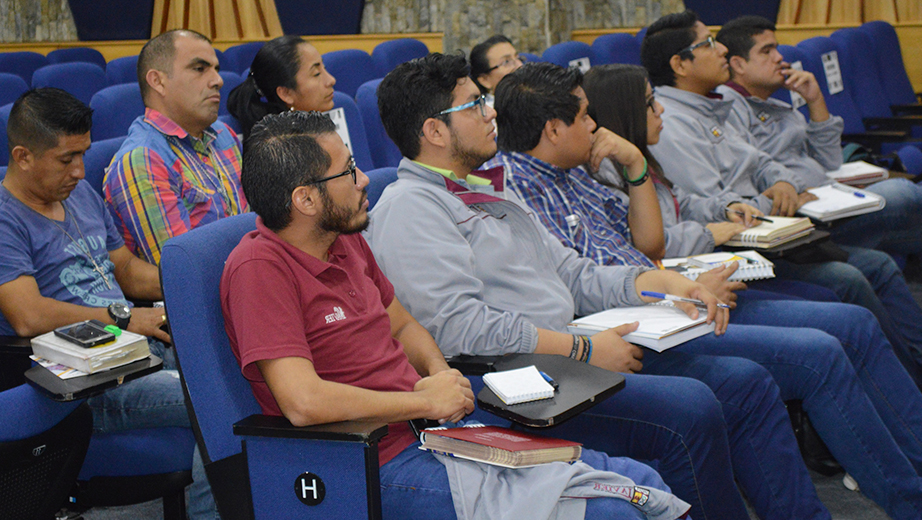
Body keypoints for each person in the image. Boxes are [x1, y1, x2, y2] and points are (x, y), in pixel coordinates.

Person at [365, 51, 817, 520]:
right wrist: (580, 349)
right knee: (691, 408)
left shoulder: (483, 189)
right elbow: (460, 329)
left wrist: (665, 282)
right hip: (508, 382)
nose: (491, 112)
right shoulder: (411, 207)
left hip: (564, 357)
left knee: (743, 384)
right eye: (475, 105)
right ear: (435, 131)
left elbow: (575, 273)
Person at [490, 61, 922, 519]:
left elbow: (645, 245)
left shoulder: (573, 171)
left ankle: (909, 482)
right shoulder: (514, 192)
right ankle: (908, 497)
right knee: (816, 350)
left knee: (843, 320)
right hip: (629, 325)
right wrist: (676, 284)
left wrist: (636, 167)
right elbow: (582, 282)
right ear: (554, 129)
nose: (595, 126)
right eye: (583, 117)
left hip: (664, 297)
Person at [220, 109, 688, 520]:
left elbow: (401, 324)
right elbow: (302, 402)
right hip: (367, 463)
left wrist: (444, 378)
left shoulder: (343, 238)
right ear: (305, 199)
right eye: (349, 172)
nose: (364, 180)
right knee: (610, 511)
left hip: (435, 430)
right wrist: (425, 403)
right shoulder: (260, 269)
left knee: (636, 480)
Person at [640, 10, 922, 388]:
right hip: (744, 253)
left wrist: (781, 183)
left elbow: (761, 163)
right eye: (708, 43)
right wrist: (772, 196)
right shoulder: (670, 122)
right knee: (861, 260)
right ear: (680, 64)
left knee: (880, 262)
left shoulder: (711, 106)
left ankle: (909, 379)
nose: (721, 48)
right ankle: (901, 386)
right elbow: (719, 207)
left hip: (781, 228)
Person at [0, 88, 213, 518]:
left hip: (138, 346)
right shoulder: (5, 218)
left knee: (246, 369)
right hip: (87, 380)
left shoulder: (78, 194)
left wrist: (202, 281)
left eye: (84, 154)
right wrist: (125, 318)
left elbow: (127, 270)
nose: (80, 171)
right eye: (66, 159)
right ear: (23, 156)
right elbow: (27, 316)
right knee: (216, 398)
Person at [104, 29, 247, 266]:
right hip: (204, 293)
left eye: (216, 69)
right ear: (158, 81)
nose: (217, 80)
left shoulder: (224, 135)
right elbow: (183, 269)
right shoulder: (143, 160)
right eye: (200, 69)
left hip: (249, 273)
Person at [227, 34, 337, 137]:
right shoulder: (279, 149)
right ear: (286, 93)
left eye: (325, 68)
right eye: (316, 74)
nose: (331, 80)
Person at [469, 35, 525, 104]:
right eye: (506, 62)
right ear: (484, 80)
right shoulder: (488, 113)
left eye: (518, 58)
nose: (520, 65)